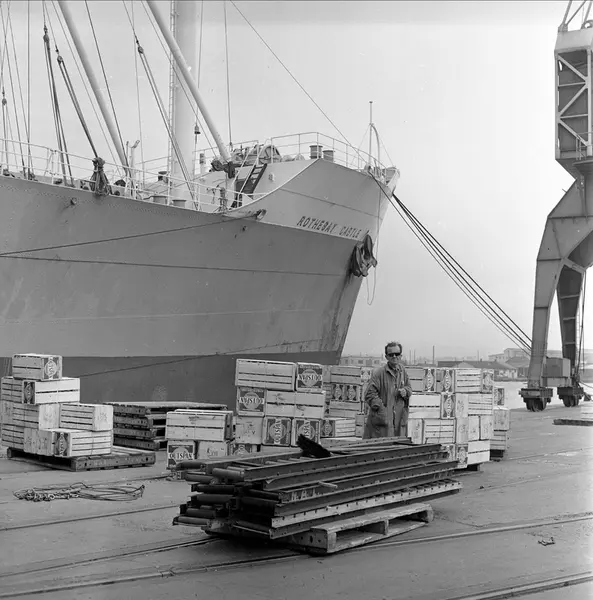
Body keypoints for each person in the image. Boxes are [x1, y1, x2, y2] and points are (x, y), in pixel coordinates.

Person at [363, 341, 413, 439]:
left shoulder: (402, 371)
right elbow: (369, 394)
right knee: (381, 446)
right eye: (391, 354)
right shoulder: (379, 374)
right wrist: (382, 411)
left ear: (401, 356)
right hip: (382, 425)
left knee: (397, 446)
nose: (394, 356)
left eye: (397, 354)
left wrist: (405, 391)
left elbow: (409, 388)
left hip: (398, 421)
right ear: (386, 357)